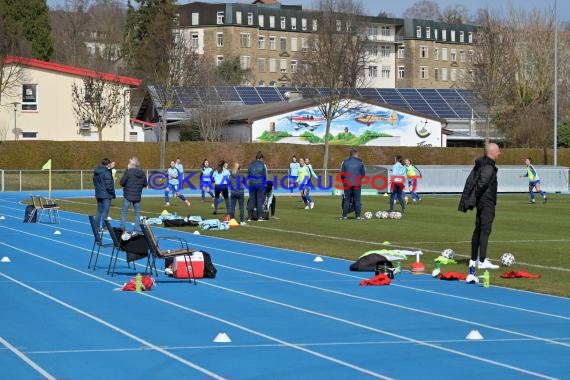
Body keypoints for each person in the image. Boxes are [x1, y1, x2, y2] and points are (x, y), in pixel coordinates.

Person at [467, 143, 501, 270]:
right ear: (492, 152)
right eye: (498, 151)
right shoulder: (488, 166)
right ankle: (481, 260)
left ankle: (473, 260)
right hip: (486, 201)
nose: (499, 153)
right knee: (485, 230)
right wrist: (477, 197)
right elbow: (482, 183)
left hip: (481, 201)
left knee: (478, 229)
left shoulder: (482, 164)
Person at [119, 157, 148, 233]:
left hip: (128, 196)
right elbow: (145, 184)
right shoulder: (142, 173)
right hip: (137, 196)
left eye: (129, 163)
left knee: (124, 212)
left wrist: (127, 171)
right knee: (137, 214)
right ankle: (136, 229)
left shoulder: (128, 172)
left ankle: (122, 228)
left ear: (132, 164)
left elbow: (122, 183)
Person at [339, 148, 365, 220]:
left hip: (347, 183)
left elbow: (342, 175)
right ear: (356, 154)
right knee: (357, 200)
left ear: (350, 154)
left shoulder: (344, 162)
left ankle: (344, 216)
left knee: (346, 200)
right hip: (357, 183)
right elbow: (363, 174)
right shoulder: (360, 162)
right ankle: (358, 216)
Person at [93, 158, 116, 231]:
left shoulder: (97, 171)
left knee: (99, 211)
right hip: (106, 194)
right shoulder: (106, 173)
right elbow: (109, 185)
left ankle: (96, 227)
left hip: (98, 193)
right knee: (105, 212)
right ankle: (104, 227)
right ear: (108, 164)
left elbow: (94, 182)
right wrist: (112, 192)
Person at [247, 151, 267, 221]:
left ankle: (249, 217)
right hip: (260, 183)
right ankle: (260, 217)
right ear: (261, 158)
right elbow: (264, 176)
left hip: (252, 183)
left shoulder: (251, 165)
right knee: (259, 200)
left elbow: (248, 175)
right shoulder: (262, 165)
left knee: (251, 200)